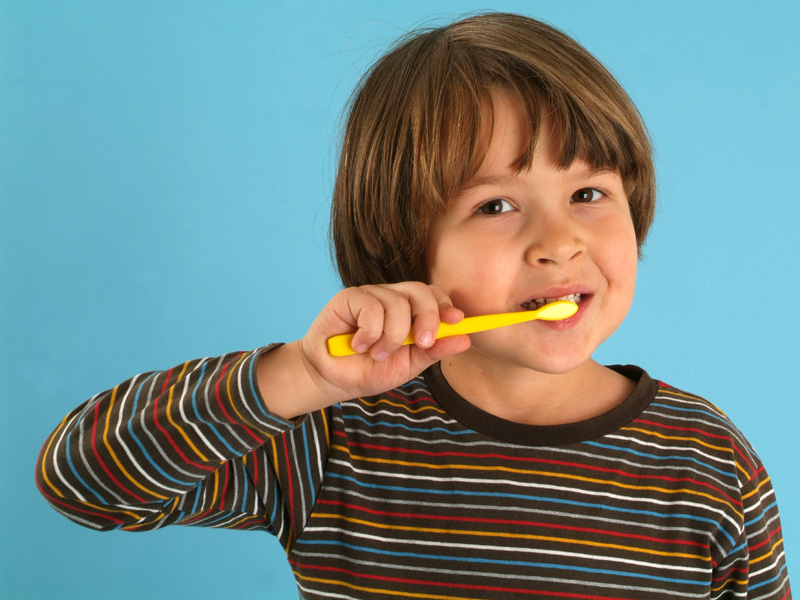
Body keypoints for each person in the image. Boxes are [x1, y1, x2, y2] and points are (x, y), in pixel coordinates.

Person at [35, 12, 790, 599]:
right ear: (403, 249)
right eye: (496, 205)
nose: (559, 243)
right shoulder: (336, 436)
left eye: (588, 194)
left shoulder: (705, 460)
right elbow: (82, 482)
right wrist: (303, 376)